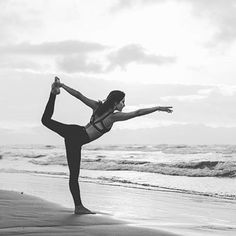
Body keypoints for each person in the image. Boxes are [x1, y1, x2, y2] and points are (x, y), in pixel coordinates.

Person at [41, 77, 173, 215]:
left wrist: (63, 85)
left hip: (74, 137)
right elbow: (137, 113)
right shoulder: (112, 116)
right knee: (73, 175)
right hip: (76, 136)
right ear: (116, 103)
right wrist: (157, 108)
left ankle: (79, 207)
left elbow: (79, 96)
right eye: (123, 102)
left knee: (73, 174)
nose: (124, 105)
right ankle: (78, 207)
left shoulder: (97, 107)